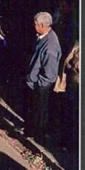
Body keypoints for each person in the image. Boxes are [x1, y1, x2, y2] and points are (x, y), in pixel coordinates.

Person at [24, 12, 62, 142]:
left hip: (41, 85)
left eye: (35, 24)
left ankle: (37, 135)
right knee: (34, 109)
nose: (33, 26)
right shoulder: (44, 37)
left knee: (40, 111)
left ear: (42, 25)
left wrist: (37, 83)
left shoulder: (50, 46)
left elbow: (49, 73)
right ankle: (30, 130)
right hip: (35, 80)